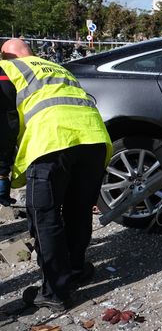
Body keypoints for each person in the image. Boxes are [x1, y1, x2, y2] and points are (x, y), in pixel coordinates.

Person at [0, 38, 112, 312]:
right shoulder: (55, 67)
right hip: (94, 141)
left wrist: (2, 171)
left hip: (52, 143)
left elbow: (5, 123)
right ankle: (75, 270)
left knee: (44, 216)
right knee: (79, 210)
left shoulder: (8, 69)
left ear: (4, 55)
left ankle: (55, 292)